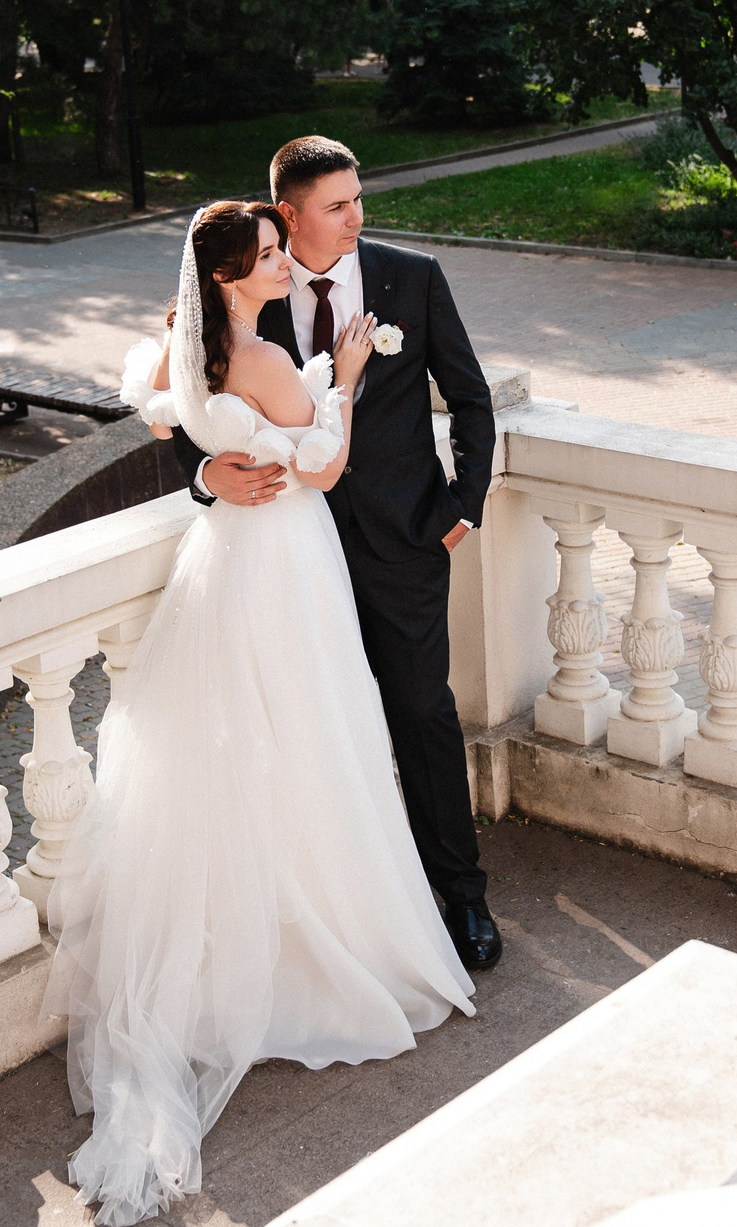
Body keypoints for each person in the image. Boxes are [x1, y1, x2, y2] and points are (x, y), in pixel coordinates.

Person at [43, 200, 475, 1222]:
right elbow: (319, 461)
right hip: (285, 556)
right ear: (237, 273)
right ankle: (309, 951)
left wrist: (212, 449)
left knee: (244, 745)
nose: (287, 261)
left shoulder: (196, 349)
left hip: (229, 564)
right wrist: (351, 381)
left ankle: (246, 947)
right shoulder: (257, 350)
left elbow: (157, 396)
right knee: (307, 735)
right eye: (273, 252)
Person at [173, 136, 504, 973]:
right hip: (293, 552)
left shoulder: (412, 277)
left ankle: (461, 895)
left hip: (404, 541)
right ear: (289, 214)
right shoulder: (253, 285)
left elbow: (468, 396)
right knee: (315, 728)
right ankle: (338, 915)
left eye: (359, 198)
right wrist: (204, 470)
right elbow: (191, 398)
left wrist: (463, 507)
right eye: (339, 204)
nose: (359, 216)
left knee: (422, 713)